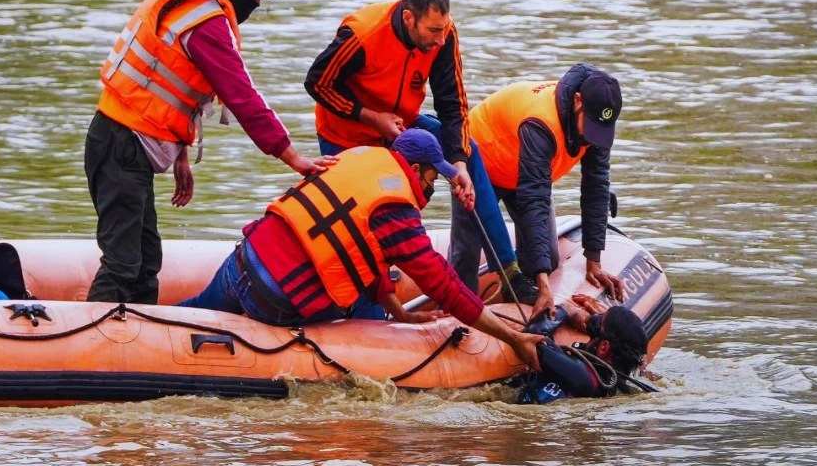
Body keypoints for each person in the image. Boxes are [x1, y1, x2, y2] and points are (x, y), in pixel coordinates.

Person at [86, 0, 335, 304]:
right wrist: (292, 157)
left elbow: (169, 82)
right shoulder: (205, 24)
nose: (258, 2)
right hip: (121, 144)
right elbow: (242, 95)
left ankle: (134, 347)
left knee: (145, 264)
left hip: (130, 141)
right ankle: (93, 348)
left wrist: (180, 154)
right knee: (123, 265)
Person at [179, 129, 545, 371]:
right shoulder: (396, 208)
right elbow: (442, 285)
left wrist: (399, 312)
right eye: (432, 178)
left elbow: (358, 246)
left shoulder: (358, 158)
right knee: (354, 297)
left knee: (185, 316)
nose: (431, 189)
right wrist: (512, 337)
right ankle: (370, 347)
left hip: (242, 263)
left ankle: (126, 321)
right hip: (277, 300)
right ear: (414, 169)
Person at [303, 0, 538, 304]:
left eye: (444, 28)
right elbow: (317, 83)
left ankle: (510, 271)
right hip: (346, 131)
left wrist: (457, 164)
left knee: (468, 152)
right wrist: (371, 117)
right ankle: (365, 294)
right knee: (363, 214)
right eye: (433, 31)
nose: (441, 39)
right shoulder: (362, 35)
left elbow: (452, 104)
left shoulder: (444, 35)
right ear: (409, 18)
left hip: (401, 124)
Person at [452, 63, 628, 320]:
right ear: (578, 101)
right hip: (481, 159)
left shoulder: (597, 125)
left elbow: (596, 187)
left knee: (550, 259)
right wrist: (543, 285)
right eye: (590, 127)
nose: (593, 138)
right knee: (467, 250)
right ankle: (459, 316)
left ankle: (514, 305)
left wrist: (594, 261)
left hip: (523, 167)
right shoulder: (541, 123)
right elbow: (533, 197)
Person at [516, 295, 650, 404]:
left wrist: (566, 310)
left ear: (604, 347)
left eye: (598, 324)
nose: (591, 322)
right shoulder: (613, 384)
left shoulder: (583, 377)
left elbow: (533, 336)